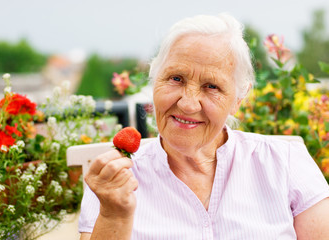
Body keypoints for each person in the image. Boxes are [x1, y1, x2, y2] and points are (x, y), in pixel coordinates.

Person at [78, 13, 329, 239]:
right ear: (153, 82)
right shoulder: (114, 180)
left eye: (212, 86)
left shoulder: (286, 162)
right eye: (176, 78)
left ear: (238, 100)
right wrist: (114, 216)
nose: (188, 104)